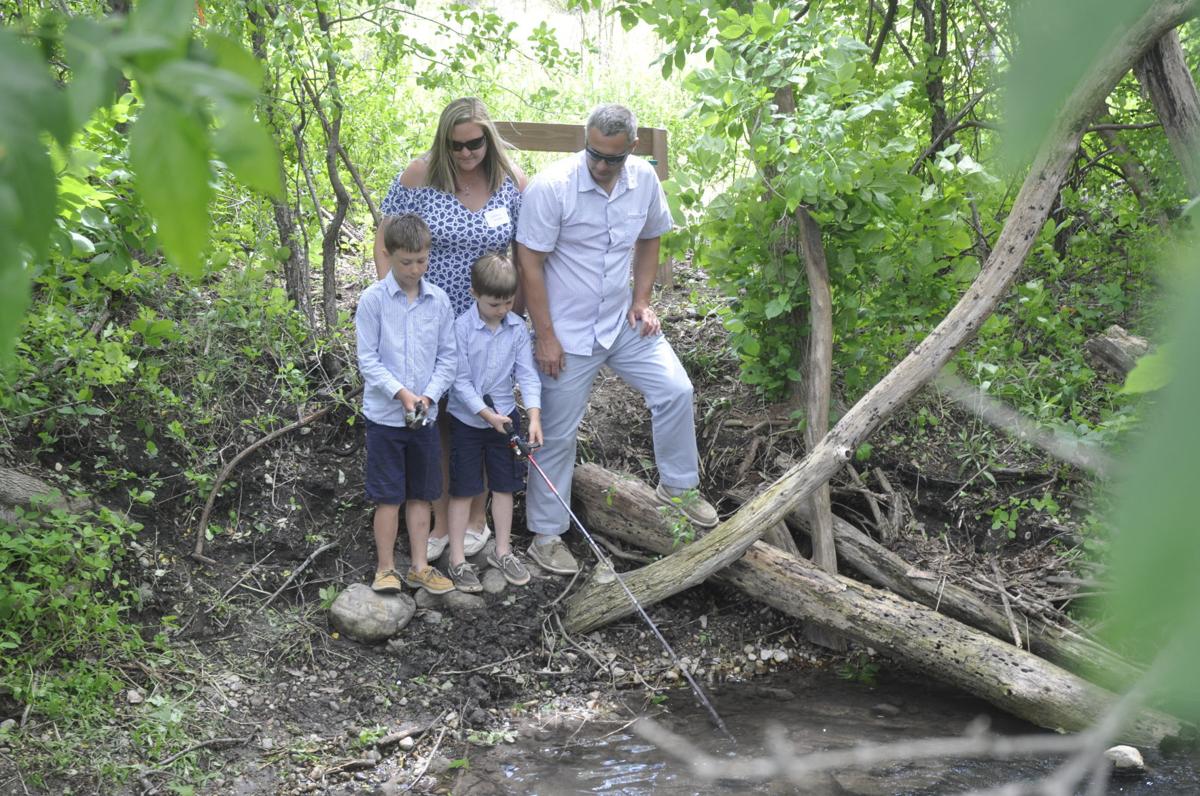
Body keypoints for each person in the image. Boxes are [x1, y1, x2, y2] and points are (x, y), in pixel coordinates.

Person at [514, 103, 718, 576]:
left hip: (620, 321)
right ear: (584, 142)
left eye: (613, 157)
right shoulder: (554, 187)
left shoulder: (643, 180)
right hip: (565, 331)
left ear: (631, 149)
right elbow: (530, 263)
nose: (602, 165)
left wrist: (642, 300)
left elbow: (651, 237)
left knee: (676, 390)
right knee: (558, 434)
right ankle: (546, 535)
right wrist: (544, 337)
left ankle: (679, 489)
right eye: (595, 154)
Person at [374, 97, 527, 563]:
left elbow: (526, 252)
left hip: (488, 322)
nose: (465, 154)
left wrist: (518, 315)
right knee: (437, 420)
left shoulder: (511, 182)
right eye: (456, 145)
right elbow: (385, 240)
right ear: (444, 141)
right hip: (430, 317)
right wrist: (392, 301)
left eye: (475, 144)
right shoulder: (420, 176)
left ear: (489, 139)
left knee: (479, 416)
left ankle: (477, 517)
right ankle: (442, 520)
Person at [356, 214, 457, 595]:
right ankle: (384, 569)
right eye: (405, 262)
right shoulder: (373, 301)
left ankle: (419, 566)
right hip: (385, 419)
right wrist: (401, 393)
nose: (415, 270)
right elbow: (368, 360)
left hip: (425, 420)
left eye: (421, 261)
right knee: (388, 496)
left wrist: (428, 396)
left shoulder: (439, 301)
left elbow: (448, 358)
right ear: (388, 255)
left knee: (422, 494)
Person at [443, 254, 543, 591]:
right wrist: (485, 415)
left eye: (508, 302)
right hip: (469, 421)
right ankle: (457, 559)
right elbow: (459, 380)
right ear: (474, 294)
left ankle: (501, 550)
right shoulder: (460, 328)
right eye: (494, 303)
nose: (502, 310)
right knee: (464, 488)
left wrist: (533, 415)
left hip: (506, 418)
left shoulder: (517, 329)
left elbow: (527, 375)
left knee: (504, 485)